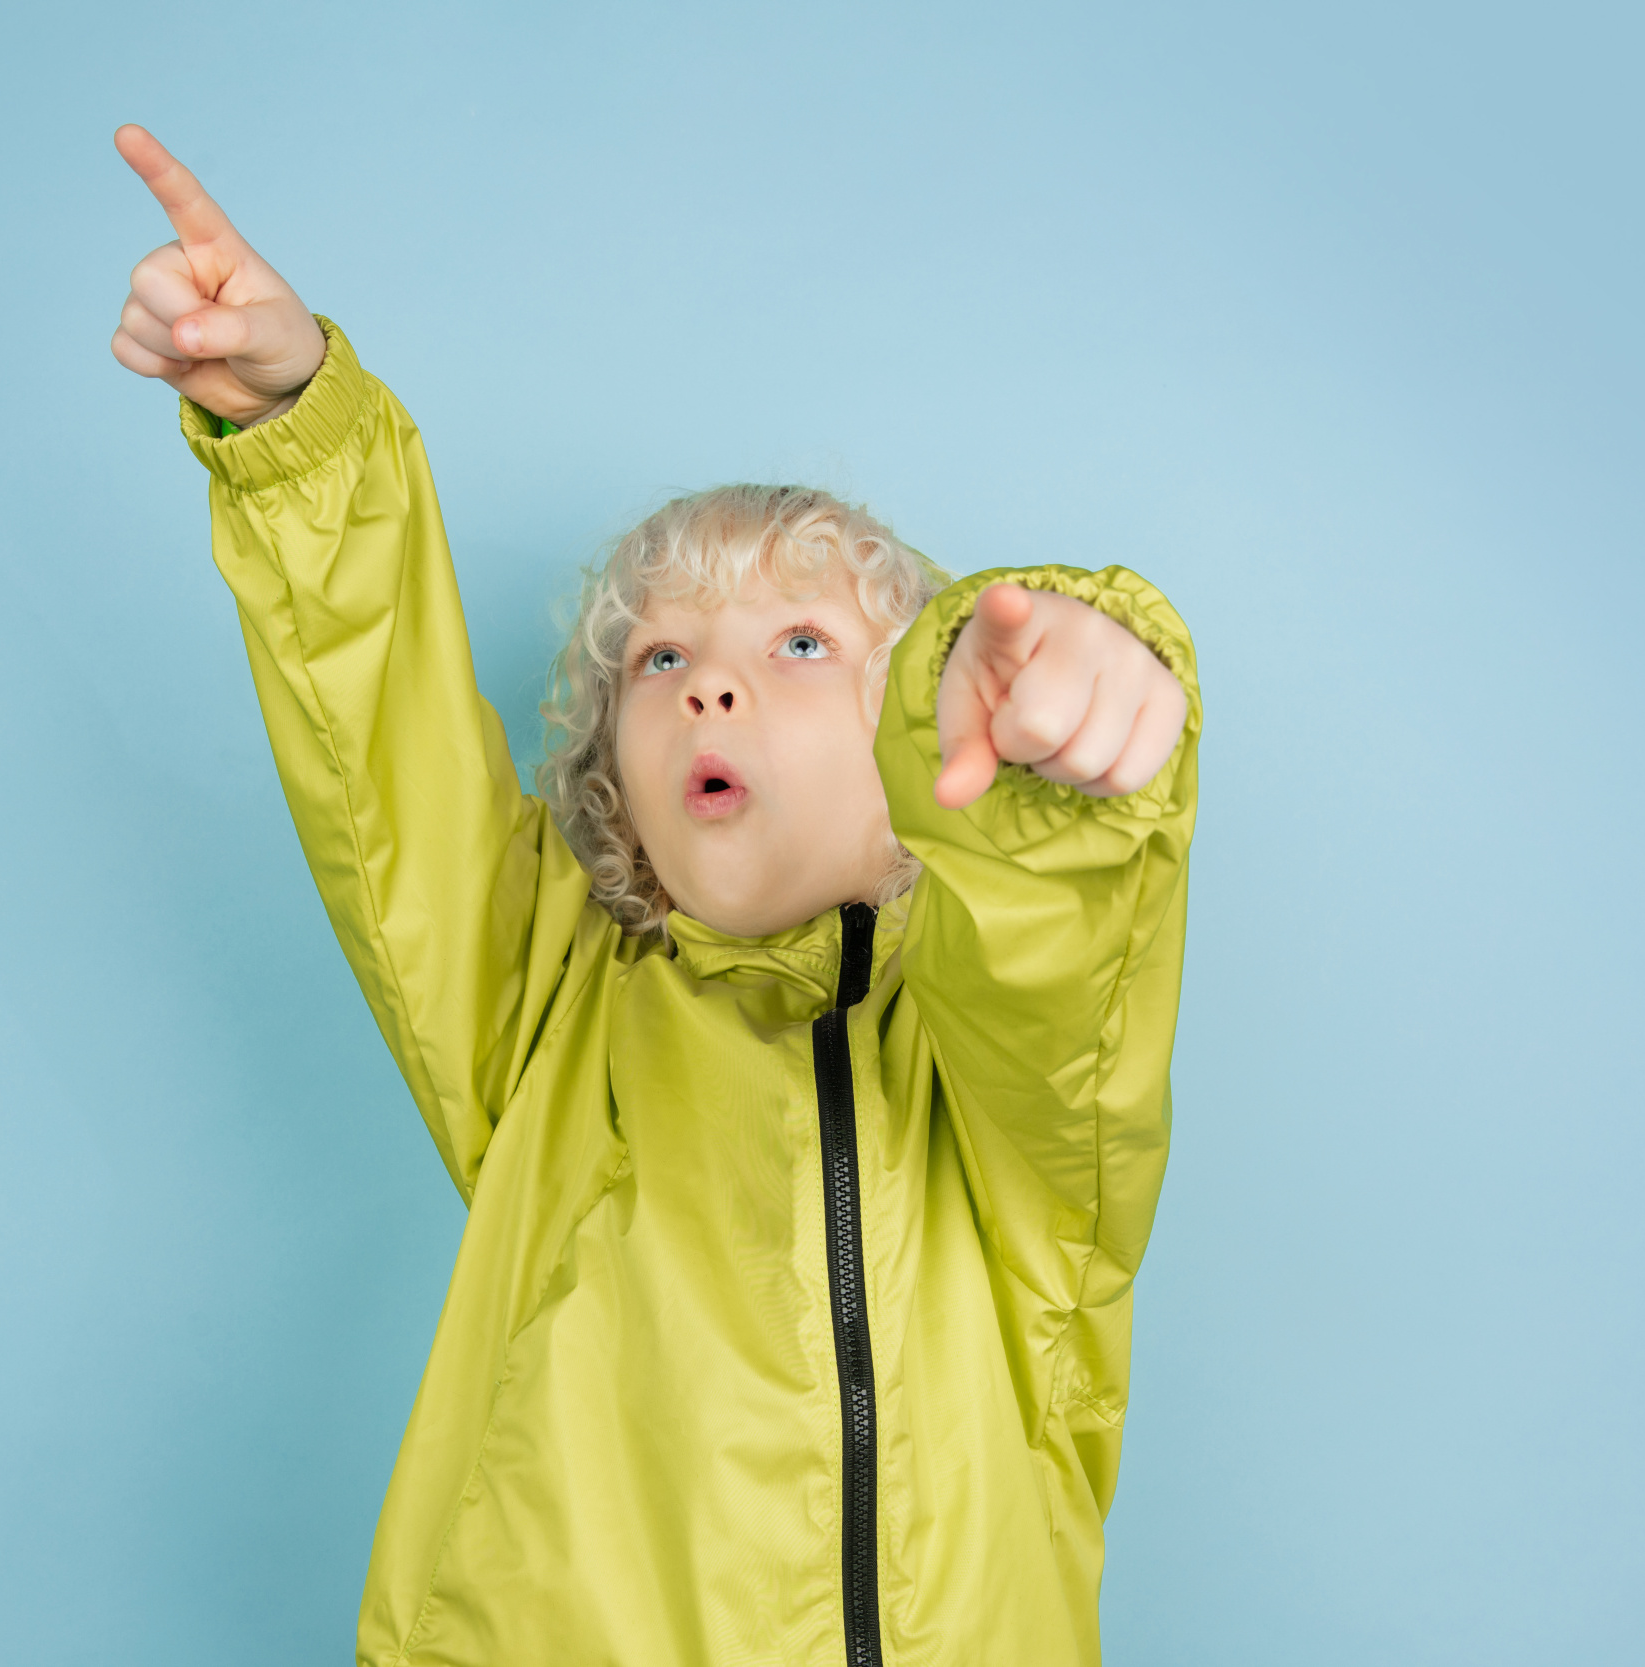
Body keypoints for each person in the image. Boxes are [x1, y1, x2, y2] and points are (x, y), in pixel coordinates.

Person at [108, 122, 1200, 1667]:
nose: (708, 690)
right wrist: (297, 425)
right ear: (615, 768)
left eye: (800, 644)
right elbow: (383, 761)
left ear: (931, 721)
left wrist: (1073, 731)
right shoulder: (548, 1013)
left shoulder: (1010, 1100)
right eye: (660, 658)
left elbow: (1070, 950)